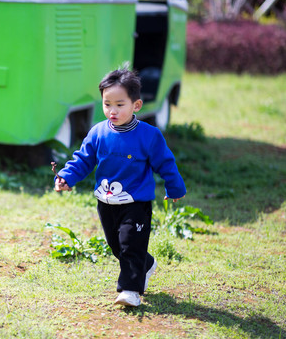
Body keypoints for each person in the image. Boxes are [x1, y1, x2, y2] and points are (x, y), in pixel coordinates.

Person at [53, 67, 186, 307]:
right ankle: (145, 264)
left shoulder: (149, 136)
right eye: (107, 104)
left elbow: (166, 163)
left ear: (136, 105)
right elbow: (83, 159)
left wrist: (175, 188)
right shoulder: (98, 133)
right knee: (117, 246)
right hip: (106, 202)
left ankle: (130, 291)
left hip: (136, 202)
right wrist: (66, 177)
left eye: (119, 105)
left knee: (129, 245)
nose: (112, 111)